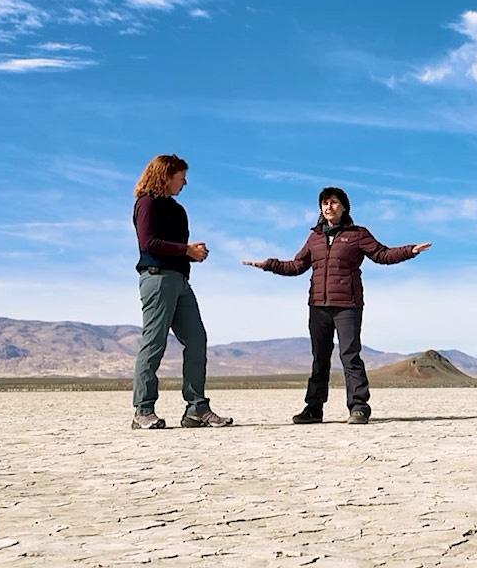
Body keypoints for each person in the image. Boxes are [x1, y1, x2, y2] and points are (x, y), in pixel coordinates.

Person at [243, 187, 430, 425]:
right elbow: (296, 266)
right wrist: (269, 264)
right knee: (319, 358)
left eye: (333, 202)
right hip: (318, 305)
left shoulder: (358, 234)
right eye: (324, 203)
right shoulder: (315, 237)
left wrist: (410, 250)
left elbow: (382, 254)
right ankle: (313, 409)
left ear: (344, 207)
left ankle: (359, 407)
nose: (328, 207)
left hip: (347, 305)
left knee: (350, 355)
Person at [130, 153, 233, 430]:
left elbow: (174, 247)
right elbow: (148, 243)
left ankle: (197, 408)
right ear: (166, 175)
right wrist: (185, 250)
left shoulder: (178, 210)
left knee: (197, 339)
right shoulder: (146, 203)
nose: (185, 182)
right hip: (157, 279)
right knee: (155, 342)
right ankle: (143, 410)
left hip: (180, 281)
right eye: (181, 177)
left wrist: (192, 254)